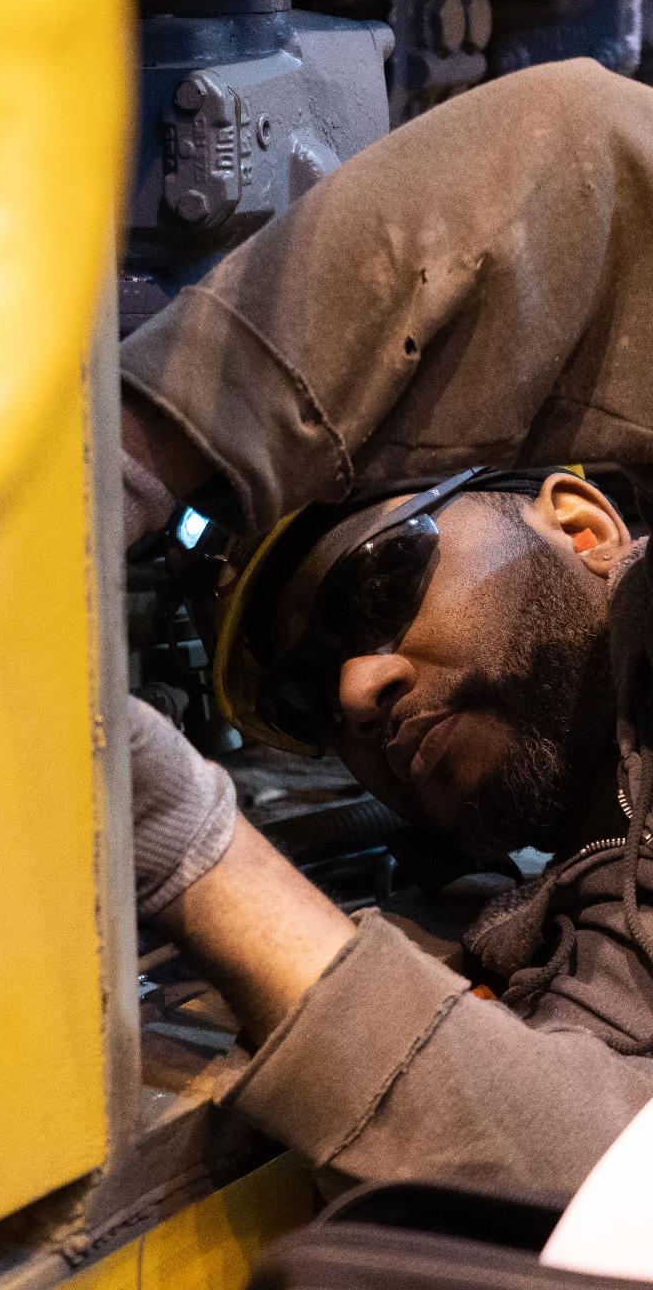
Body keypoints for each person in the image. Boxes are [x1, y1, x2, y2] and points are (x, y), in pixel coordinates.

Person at [121, 58, 653, 1203]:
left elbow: (593, 157)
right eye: (310, 699)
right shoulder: (604, 914)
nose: (360, 689)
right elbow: (601, 1169)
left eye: (379, 584)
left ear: (582, 520)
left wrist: (128, 445)